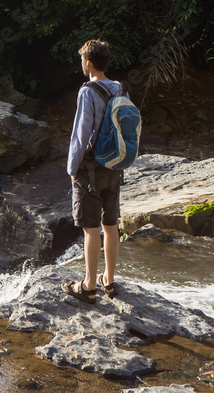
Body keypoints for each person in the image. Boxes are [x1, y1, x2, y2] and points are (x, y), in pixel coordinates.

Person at [64, 39, 125, 303]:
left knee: (90, 228)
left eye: (82, 61)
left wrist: (72, 168)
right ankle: (108, 281)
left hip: (90, 170)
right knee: (110, 225)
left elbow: (81, 134)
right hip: (114, 166)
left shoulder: (87, 91)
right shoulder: (120, 88)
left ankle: (88, 287)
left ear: (88, 63)